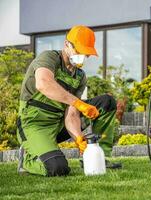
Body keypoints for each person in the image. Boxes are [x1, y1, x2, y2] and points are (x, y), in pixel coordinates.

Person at [17, 25, 120, 177]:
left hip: (58, 123)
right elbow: (43, 84)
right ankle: (27, 160)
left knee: (107, 102)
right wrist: (78, 103)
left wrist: (79, 139)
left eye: (86, 54)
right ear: (67, 45)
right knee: (58, 168)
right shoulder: (49, 58)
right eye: (79, 51)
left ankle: (98, 158)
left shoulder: (80, 76)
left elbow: (71, 115)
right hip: (34, 124)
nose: (83, 57)